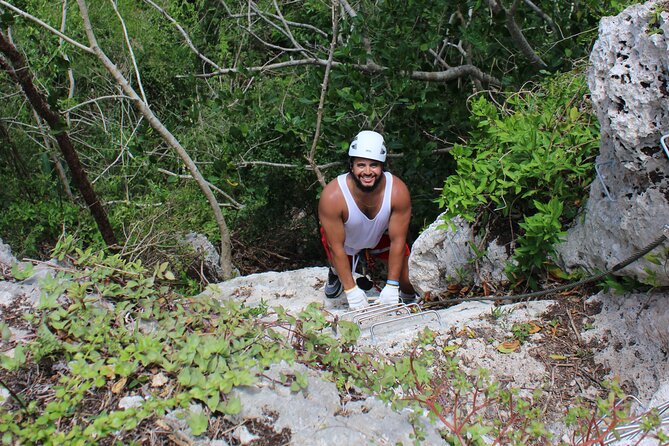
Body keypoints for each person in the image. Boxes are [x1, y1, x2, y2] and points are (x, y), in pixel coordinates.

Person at [318, 130, 416, 309]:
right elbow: (336, 246)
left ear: (382, 166)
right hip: (346, 238)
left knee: (407, 281)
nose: (368, 172)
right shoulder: (333, 196)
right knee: (339, 262)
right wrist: (351, 291)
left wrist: (393, 285)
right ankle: (335, 272)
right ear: (352, 166)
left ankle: (407, 294)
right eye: (361, 165)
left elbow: (398, 240)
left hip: (379, 234)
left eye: (374, 165)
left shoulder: (397, 192)